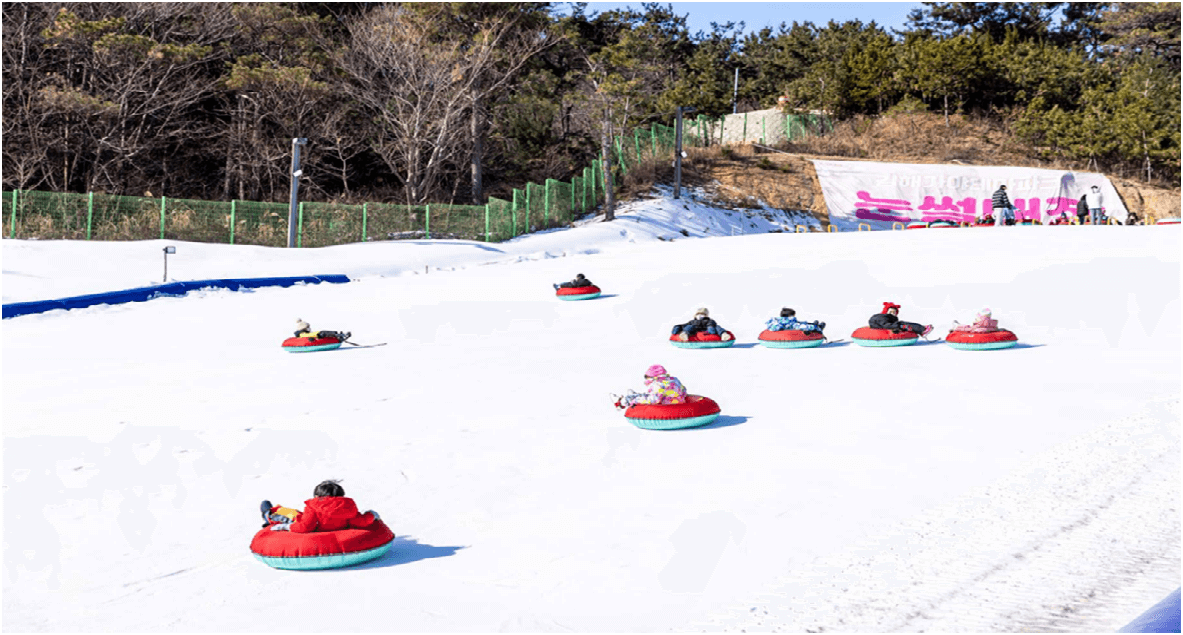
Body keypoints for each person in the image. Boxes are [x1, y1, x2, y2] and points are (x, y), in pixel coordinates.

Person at [260, 480, 380, 532]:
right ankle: (271, 511)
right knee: (297, 514)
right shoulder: (347, 508)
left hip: (311, 526)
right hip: (317, 522)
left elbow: (305, 526)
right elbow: (361, 521)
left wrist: (286, 527)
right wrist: (371, 515)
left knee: (291, 514)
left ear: (317, 496)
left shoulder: (313, 506)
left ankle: (268, 513)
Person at [614, 365, 688, 410]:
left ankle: (624, 401)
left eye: (647, 377)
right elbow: (684, 391)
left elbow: (653, 400)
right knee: (650, 395)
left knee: (647, 398)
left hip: (668, 407)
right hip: (680, 403)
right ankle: (634, 395)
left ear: (653, 377)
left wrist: (635, 401)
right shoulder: (674, 379)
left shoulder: (658, 384)